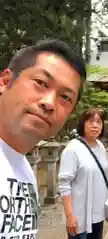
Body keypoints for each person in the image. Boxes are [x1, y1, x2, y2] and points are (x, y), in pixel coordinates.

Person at [0, 39, 86, 238]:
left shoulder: (25, 172)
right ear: (5, 81)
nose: (49, 103)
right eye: (41, 83)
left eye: (65, 98)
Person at [58, 108, 108, 239]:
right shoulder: (72, 149)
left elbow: (106, 170)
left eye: (98, 122)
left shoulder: (100, 146)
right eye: (90, 122)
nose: (95, 125)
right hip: (79, 216)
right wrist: (70, 215)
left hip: (98, 214)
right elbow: (64, 183)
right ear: (82, 124)